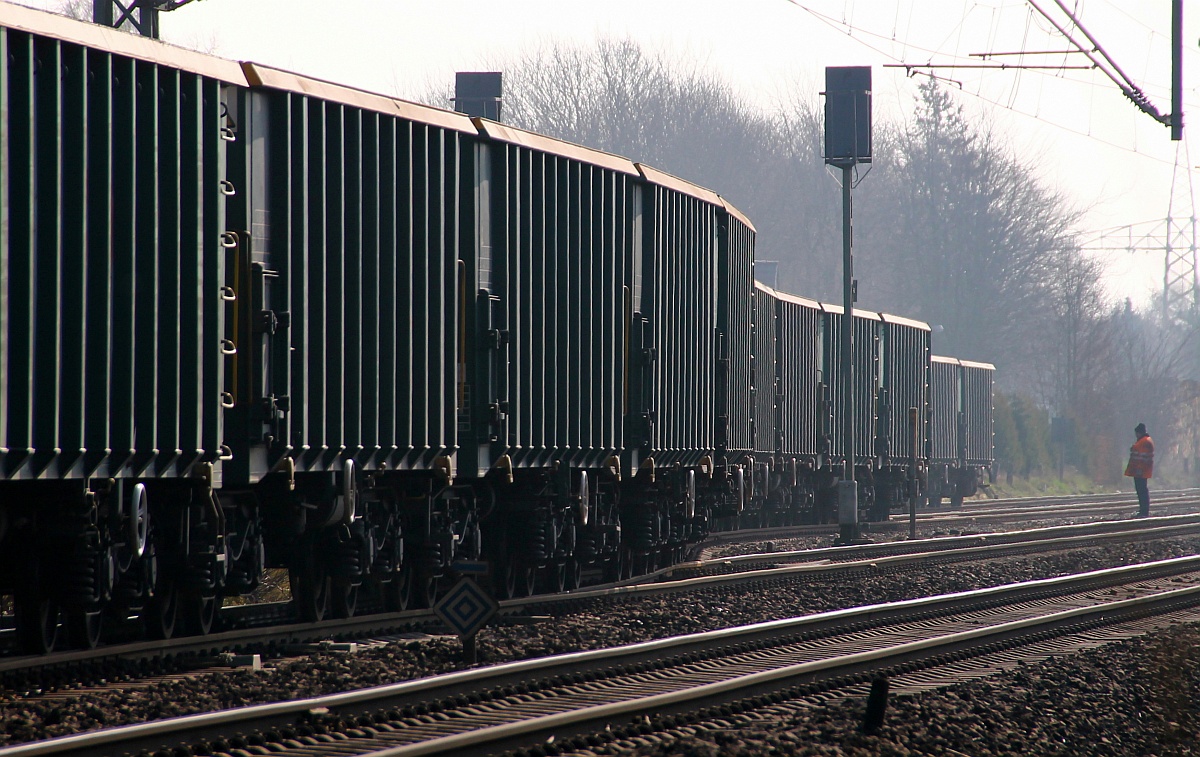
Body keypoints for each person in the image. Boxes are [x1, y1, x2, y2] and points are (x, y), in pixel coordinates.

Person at [1124, 423, 1154, 517]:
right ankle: (1143, 511)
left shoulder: (1144, 442)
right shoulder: (1144, 441)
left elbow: (1142, 458)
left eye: (1136, 433)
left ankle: (1144, 511)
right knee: (1141, 491)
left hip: (1140, 471)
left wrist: (1139, 470)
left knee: (1142, 491)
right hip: (1140, 471)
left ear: (1139, 432)